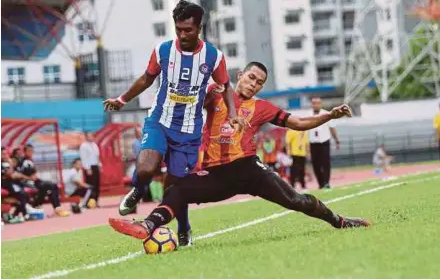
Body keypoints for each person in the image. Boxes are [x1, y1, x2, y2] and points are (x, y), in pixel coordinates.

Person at [108, 62, 369, 243]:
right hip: (216, 174)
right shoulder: (216, 93)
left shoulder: (261, 107)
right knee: (177, 189)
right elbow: (194, 101)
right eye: (251, 77)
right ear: (240, 75)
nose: (254, 84)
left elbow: (298, 123)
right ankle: (147, 226)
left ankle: (339, 221)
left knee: (297, 201)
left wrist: (329, 115)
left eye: (260, 83)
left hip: (248, 169)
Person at [103, 0, 245, 246]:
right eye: (178, 29)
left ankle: (184, 227)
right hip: (160, 120)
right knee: (146, 168)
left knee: (177, 186)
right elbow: (147, 78)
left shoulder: (213, 56)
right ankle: (138, 190)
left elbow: (225, 86)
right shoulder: (163, 50)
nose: (182, 34)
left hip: (189, 131)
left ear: (199, 27)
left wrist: (232, 112)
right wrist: (122, 99)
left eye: (187, 30)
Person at [19, 144, 70, 217]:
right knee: (50, 187)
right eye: (29, 151)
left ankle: (56, 208)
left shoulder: (30, 160)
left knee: (51, 188)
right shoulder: (25, 162)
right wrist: (30, 177)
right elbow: (30, 175)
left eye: (32, 151)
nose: (31, 153)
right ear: (25, 152)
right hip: (30, 183)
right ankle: (56, 208)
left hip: (36, 181)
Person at [308, 97, 340, 189]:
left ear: (321, 104)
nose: (315, 105)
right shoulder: (309, 114)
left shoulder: (326, 114)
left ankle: (326, 182)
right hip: (313, 142)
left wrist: (337, 140)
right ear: (312, 104)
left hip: (324, 141)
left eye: (317, 103)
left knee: (325, 163)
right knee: (315, 164)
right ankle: (320, 183)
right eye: (314, 103)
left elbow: (332, 128)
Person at [79, 131, 100, 208]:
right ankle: (89, 202)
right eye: (89, 136)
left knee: (97, 185)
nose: (91, 137)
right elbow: (84, 158)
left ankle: (96, 201)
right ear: (86, 137)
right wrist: (87, 168)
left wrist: (99, 164)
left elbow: (97, 156)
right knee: (91, 185)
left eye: (92, 136)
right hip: (89, 167)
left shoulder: (94, 145)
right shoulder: (83, 146)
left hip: (95, 166)